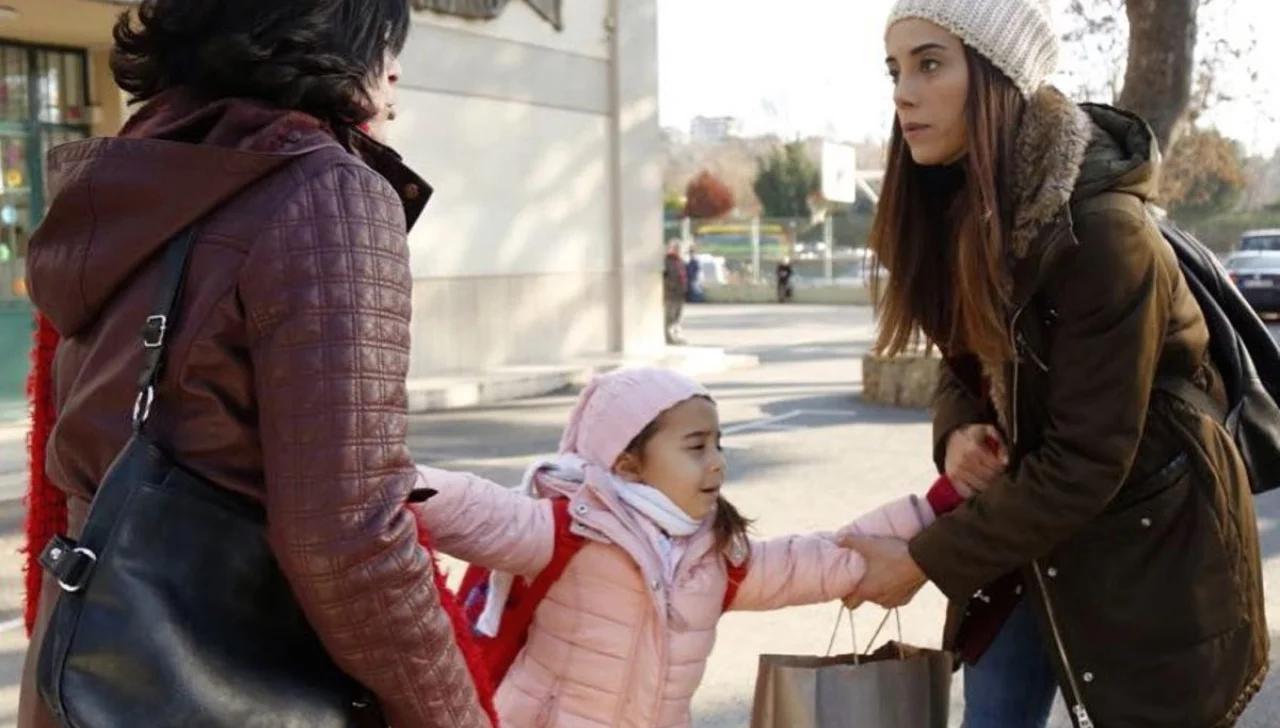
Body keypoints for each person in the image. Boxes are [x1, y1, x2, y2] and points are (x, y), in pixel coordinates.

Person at [18, 1, 493, 727]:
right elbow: (349, 539)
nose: (393, 68)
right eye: (383, 39)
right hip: (232, 681)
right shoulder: (323, 192)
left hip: (90, 671)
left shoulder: (138, 177)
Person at [841, 1, 1268, 727]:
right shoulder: (959, 207)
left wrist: (918, 560)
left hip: (1147, 550)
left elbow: (1088, 457)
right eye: (896, 70)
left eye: (931, 64)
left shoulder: (1102, 232)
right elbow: (966, 359)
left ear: (1000, 76)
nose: (902, 93)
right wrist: (959, 429)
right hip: (1019, 542)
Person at [412, 366, 970, 727]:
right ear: (627, 461)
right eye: (696, 446)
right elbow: (469, 506)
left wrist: (937, 510)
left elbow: (817, 559)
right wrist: (375, 479)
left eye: (718, 444)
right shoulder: (565, 531)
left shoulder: (715, 557)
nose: (717, 462)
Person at [664, 239, 688, 343]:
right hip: (671, 293)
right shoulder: (667, 261)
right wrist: (670, 286)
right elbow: (665, 277)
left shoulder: (680, 261)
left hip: (680, 293)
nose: (678, 250)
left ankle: (676, 335)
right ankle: (669, 337)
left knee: (678, 316)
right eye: (676, 248)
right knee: (670, 316)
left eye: (679, 248)